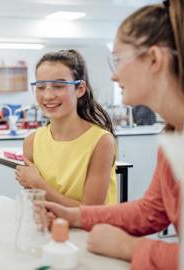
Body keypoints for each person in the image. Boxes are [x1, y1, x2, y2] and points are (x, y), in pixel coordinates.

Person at [38, 0, 184, 269]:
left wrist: (129, 247)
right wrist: (73, 216)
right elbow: (151, 211)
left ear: (154, 59)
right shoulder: (176, 132)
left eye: (118, 60)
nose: (114, 76)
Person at [15, 49, 117, 206]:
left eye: (58, 86)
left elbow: (92, 211)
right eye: (41, 87)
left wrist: (39, 184)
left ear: (80, 89)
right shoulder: (31, 142)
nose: (48, 95)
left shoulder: (101, 141)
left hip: (93, 230)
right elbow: (35, 203)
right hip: (49, 227)